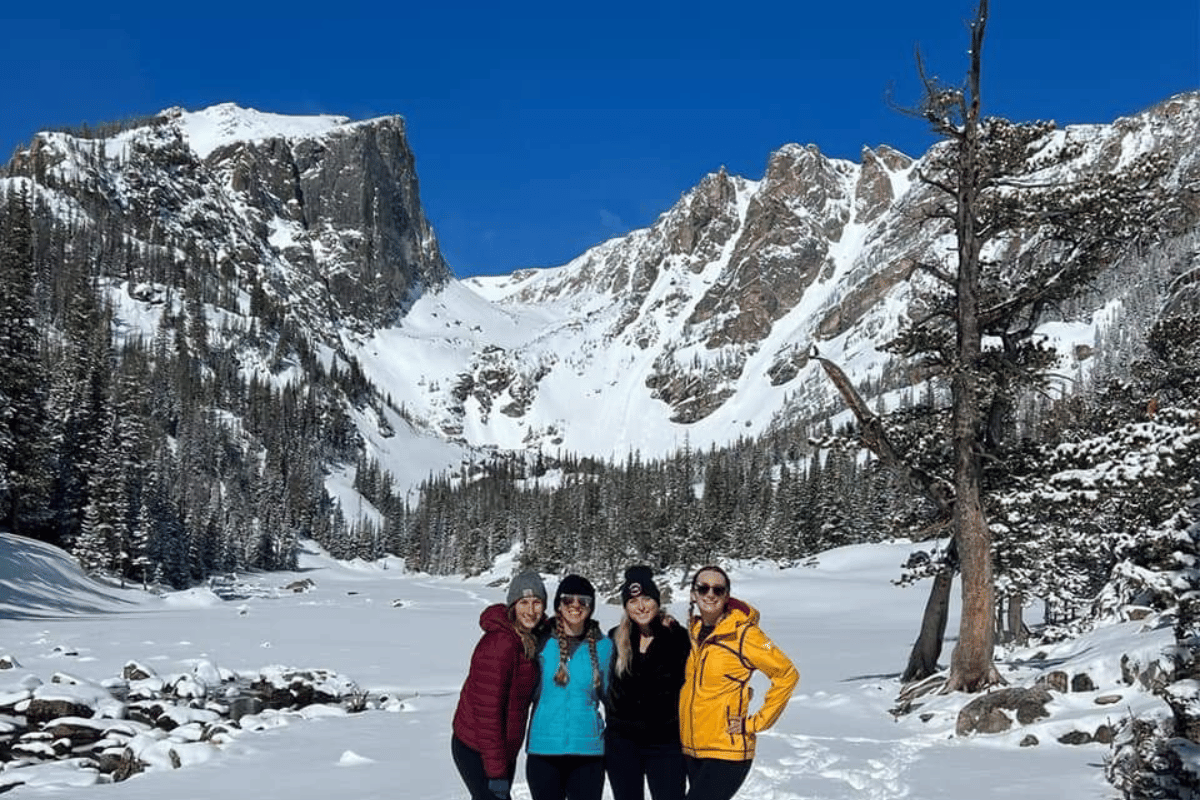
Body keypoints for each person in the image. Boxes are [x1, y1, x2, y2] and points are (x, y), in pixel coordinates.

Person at [677, 565, 798, 800]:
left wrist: (757, 722)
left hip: (727, 750)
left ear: (726, 596)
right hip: (693, 748)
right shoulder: (694, 630)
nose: (710, 594)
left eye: (718, 589)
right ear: (693, 594)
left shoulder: (747, 634)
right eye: (703, 588)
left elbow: (787, 673)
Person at [452, 571, 548, 800]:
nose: (530, 610)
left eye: (536, 602)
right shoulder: (500, 644)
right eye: (523, 602)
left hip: (503, 749)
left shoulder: (530, 638)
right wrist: (496, 772)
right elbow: (488, 715)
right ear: (513, 606)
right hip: (477, 747)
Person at [604, 565, 692, 800]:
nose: (641, 606)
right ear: (625, 606)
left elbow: (704, 674)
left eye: (647, 599)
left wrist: (740, 689)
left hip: (666, 742)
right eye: (633, 601)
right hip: (622, 743)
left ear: (657, 601)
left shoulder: (678, 638)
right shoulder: (615, 637)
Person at [525, 574, 614, 800]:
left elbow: (613, 700)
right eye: (568, 599)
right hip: (543, 749)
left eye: (583, 600)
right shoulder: (539, 641)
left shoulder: (604, 647)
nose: (576, 605)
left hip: (588, 752)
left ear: (591, 607)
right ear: (558, 605)